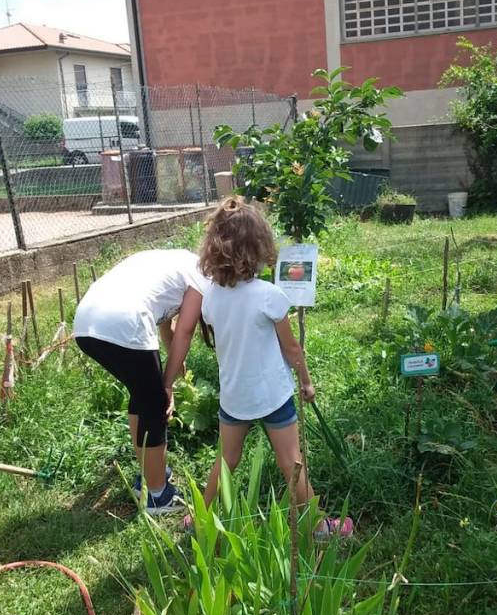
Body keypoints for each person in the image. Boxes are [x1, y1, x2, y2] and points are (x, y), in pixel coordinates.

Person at [163, 198, 353, 538]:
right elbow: (291, 348)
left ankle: (199, 519)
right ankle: (318, 527)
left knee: (226, 459)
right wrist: (306, 382)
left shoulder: (211, 297)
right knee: (290, 461)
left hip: (234, 396)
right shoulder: (269, 295)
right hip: (272, 396)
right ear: (258, 246)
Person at [73, 248, 210, 514]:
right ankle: (157, 496)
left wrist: (175, 368)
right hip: (124, 322)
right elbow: (185, 331)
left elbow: (167, 325)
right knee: (155, 405)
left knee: (142, 395)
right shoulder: (203, 276)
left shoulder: (176, 263)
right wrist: (166, 385)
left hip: (87, 324)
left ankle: (149, 478)